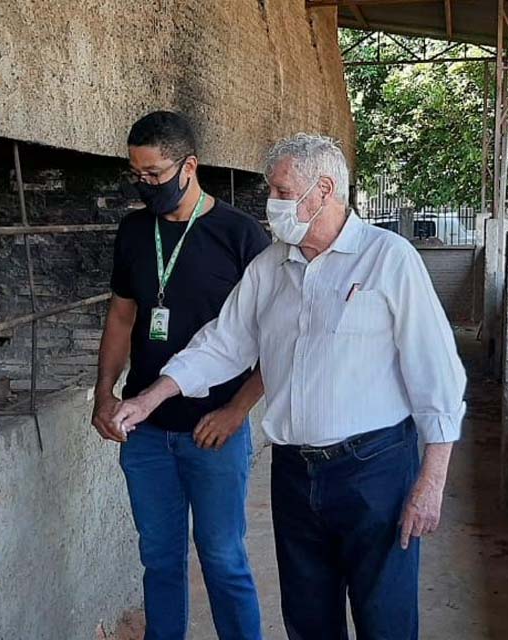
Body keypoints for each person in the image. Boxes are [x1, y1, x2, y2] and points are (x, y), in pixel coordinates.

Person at [111, 133, 467, 640]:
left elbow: (438, 377)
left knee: (384, 619)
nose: (270, 203)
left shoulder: (389, 259)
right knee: (307, 619)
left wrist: (430, 484)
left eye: (280, 191)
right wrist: (151, 396)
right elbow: (223, 344)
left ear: (323, 189)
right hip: (295, 473)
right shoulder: (270, 267)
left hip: (375, 472)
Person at [91, 111, 270, 640]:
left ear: (188, 166)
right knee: (160, 559)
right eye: (136, 175)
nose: (144, 186)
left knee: (223, 559)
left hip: (212, 429)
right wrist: (104, 393)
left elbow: (275, 340)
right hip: (144, 430)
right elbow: (121, 317)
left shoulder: (241, 236)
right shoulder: (132, 230)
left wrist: (237, 411)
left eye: (154, 175)